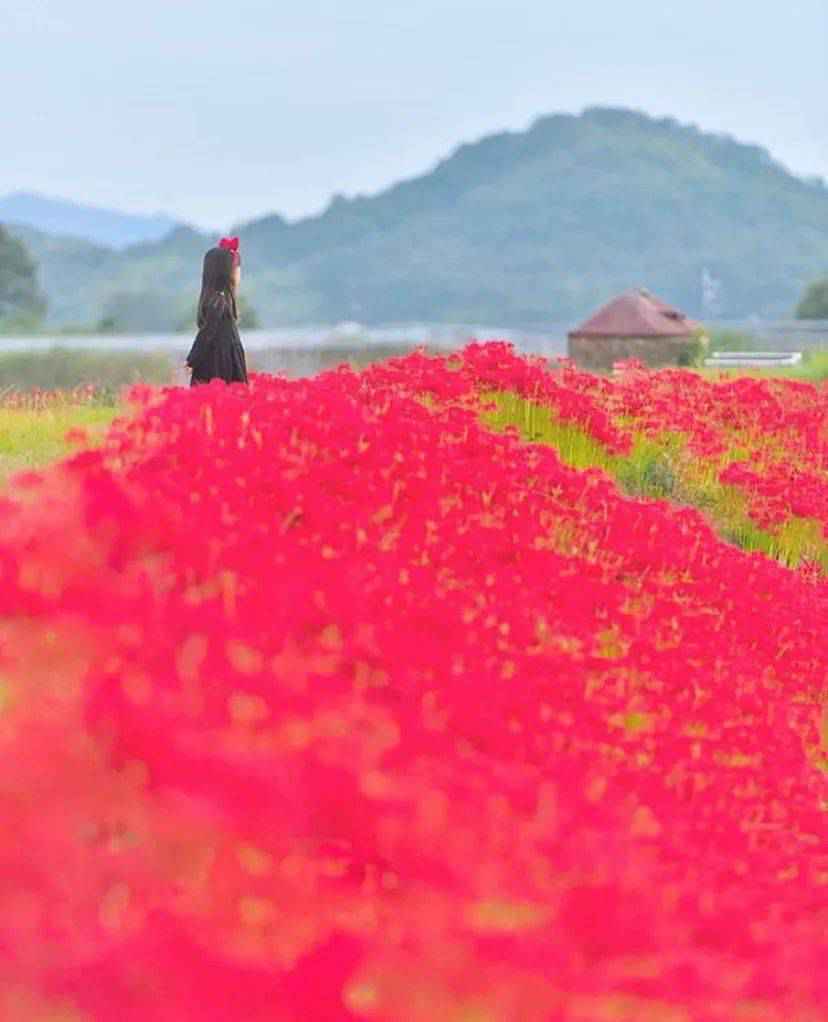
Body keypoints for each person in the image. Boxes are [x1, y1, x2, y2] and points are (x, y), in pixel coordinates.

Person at [186, 237, 249, 387]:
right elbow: (206, 333)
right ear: (226, 273)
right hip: (220, 364)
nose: (239, 272)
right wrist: (192, 359)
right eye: (237, 268)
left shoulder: (221, 300)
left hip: (222, 359)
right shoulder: (218, 302)